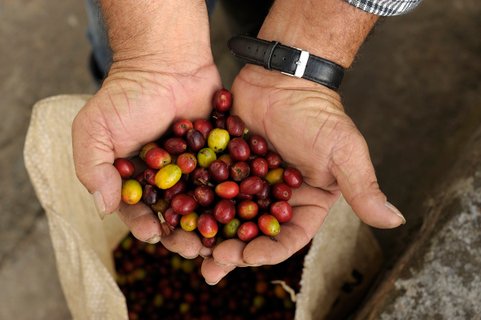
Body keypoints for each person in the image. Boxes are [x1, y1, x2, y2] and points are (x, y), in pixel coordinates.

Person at [73, 0, 421, 285]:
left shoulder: (216, 173)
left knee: (258, 12)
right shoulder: (211, 171)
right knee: (121, 35)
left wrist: (303, 47)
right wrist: (147, 56)